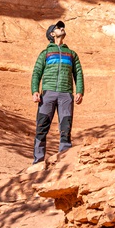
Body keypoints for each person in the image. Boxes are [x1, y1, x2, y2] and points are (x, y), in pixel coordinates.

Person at [30, 20, 84, 166]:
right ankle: (38, 162)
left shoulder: (71, 54)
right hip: (47, 94)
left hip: (66, 94)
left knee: (65, 127)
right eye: (58, 28)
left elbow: (78, 73)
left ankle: (64, 160)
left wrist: (79, 90)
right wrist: (35, 90)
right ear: (52, 34)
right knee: (41, 127)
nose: (62, 28)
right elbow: (36, 73)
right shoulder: (46, 53)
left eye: (62, 27)